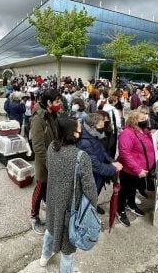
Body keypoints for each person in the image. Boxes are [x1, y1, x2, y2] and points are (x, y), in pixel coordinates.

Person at [39, 117, 97, 271]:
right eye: (78, 129)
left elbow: (49, 168)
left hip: (52, 201)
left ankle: (44, 258)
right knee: (67, 249)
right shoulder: (81, 156)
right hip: (70, 209)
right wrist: (92, 208)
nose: (80, 131)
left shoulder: (52, 147)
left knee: (50, 231)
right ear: (71, 133)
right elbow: (90, 187)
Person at [77, 113, 122, 214]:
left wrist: (112, 162)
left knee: (94, 195)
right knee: (88, 198)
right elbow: (96, 167)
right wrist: (114, 169)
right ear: (92, 126)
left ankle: (93, 206)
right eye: (101, 127)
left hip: (98, 176)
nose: (103, 129)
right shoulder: (85, 142)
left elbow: (102, 152)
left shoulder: (93, 134)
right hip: (92, 175)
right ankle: (87, 215)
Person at [116, 109, 155, 226]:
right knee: (125, 190)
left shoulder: (144, 131)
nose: (145, 121)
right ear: (134, 120)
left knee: (133, 189)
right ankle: (120, 209)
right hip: (131, 170)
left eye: (146, 118)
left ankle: (131, 204)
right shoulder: (127, 134)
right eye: (142, 119)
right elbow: (125, 154)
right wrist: (138, 169)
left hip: (142, 169)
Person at [30, 89, 61, 235]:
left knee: (50, 187)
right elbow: (38, 146)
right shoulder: (39, 118)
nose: (59, 103)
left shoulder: (53, 114)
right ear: (48, 102)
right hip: (44, 162)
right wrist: (49, 163)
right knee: (40, 187)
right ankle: (34, 216)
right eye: (57, 101)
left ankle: (46, 202)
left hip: (55, 157)